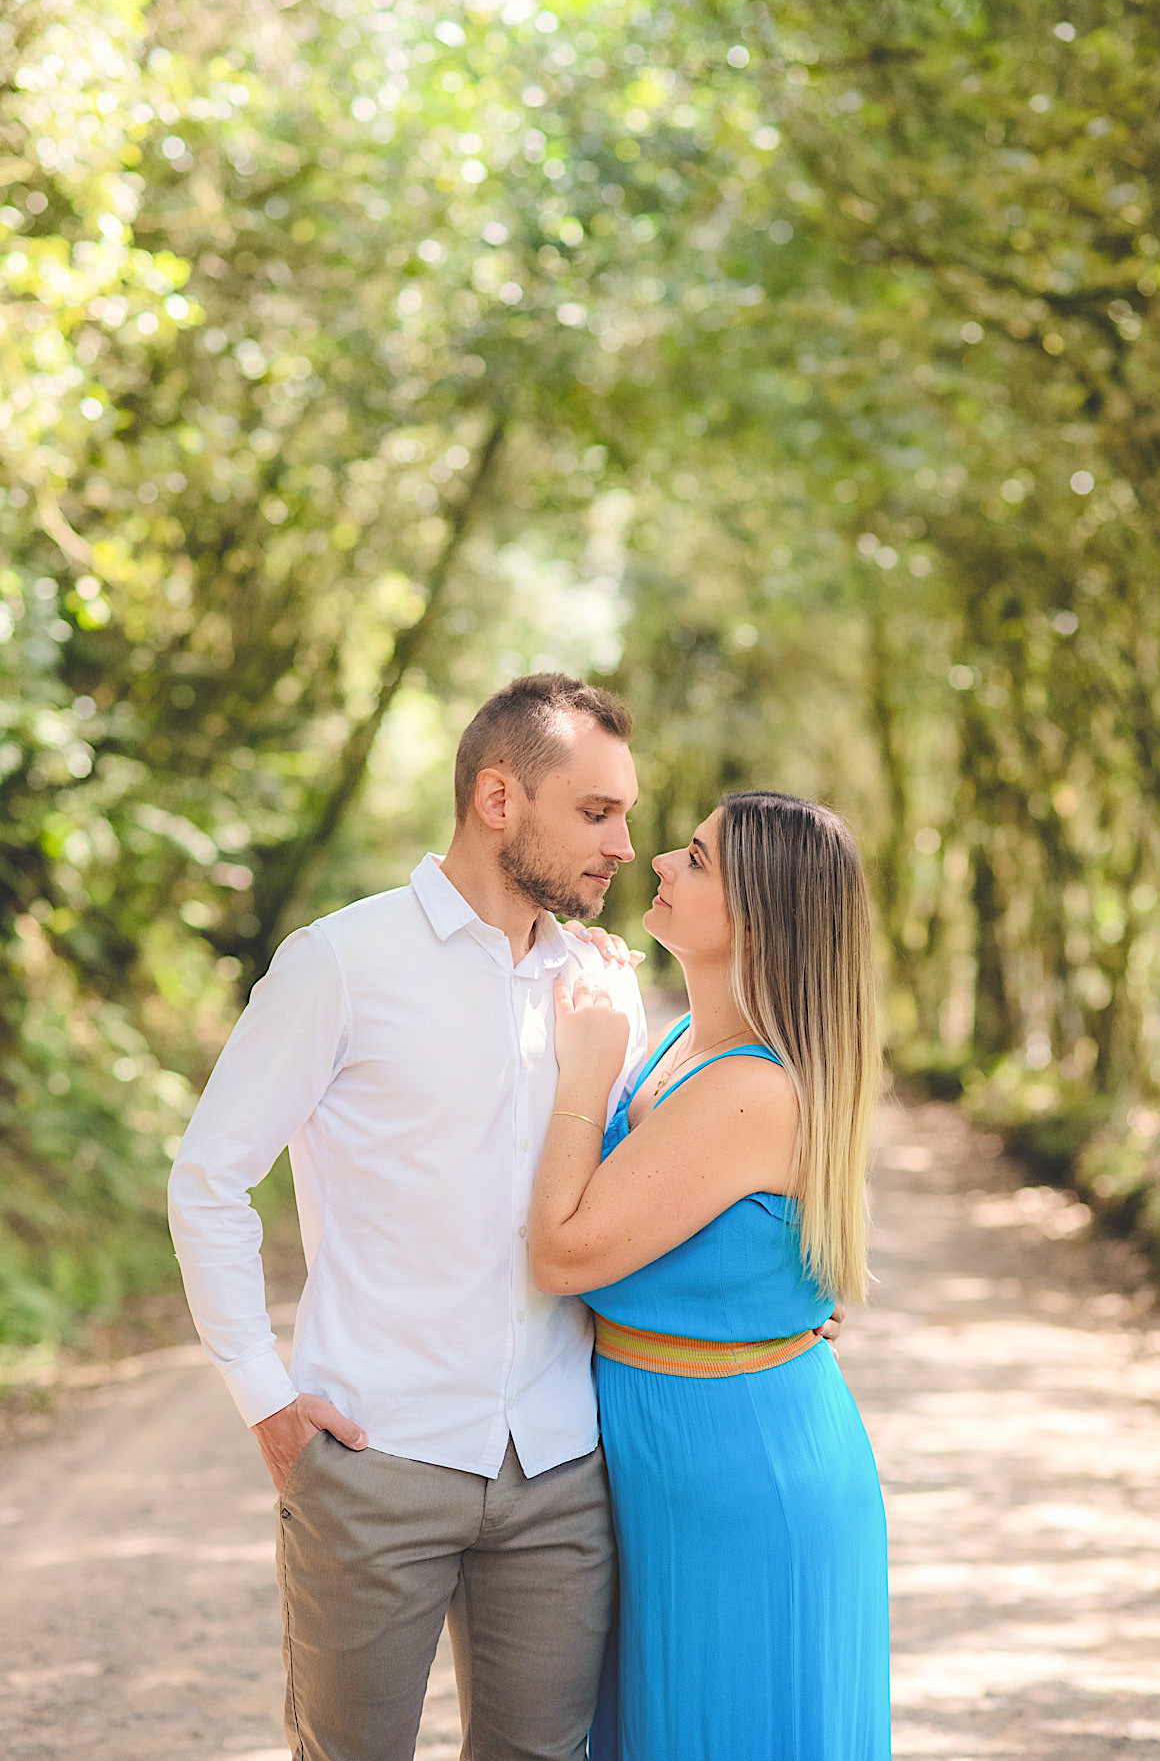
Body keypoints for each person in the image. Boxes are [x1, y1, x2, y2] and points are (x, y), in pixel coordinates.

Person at [167, 673, 652, 1761]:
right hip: (375, 1457)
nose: (624, 843)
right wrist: (264, 1395)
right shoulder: (342, 961)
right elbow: (208, 1178)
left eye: (624, 813)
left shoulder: (604, 985)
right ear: (497, 799)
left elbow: (644, 1195)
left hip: (560, 1472)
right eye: (596, 811)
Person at [530, 790, 890, 1760]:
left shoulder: (750, 1086)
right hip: (667, 1459)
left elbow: (564, 1250)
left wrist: (585, 1066)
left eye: (696, 858)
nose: (660, 863)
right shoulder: (690, 1046)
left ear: (760, 916)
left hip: (739, 1474)